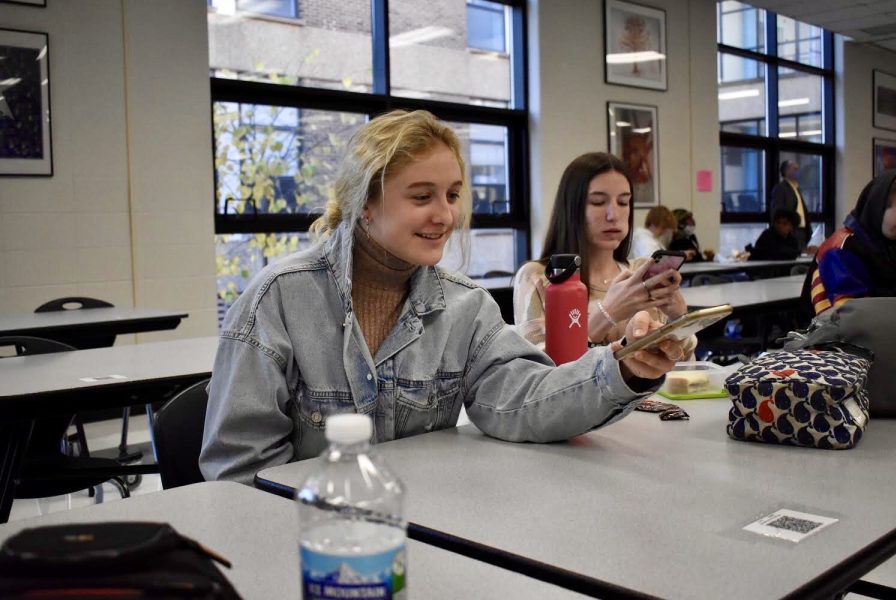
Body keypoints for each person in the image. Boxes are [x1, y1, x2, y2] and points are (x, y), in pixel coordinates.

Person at [200, 111, 684, 485]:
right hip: (321, 547)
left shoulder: (465, 307)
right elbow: (239, 471)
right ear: (364, 204)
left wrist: (623, 367)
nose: (445, 215)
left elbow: (524, 400)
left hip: (424, 529)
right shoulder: (278, 299)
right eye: (421, 196)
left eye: (452, 195)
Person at [513, 151, 694, 354]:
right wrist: (607, 314)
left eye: (624, 202)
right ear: (571, 208)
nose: (614, 215)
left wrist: (678, 319)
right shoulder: (539, 277)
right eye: (598, 202)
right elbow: (541, 373)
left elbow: (688, 370)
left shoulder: (639, 272)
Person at [809, 169, 896, 314]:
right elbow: (854, 317)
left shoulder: (887, 244)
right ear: (878, 206)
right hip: (833, 334)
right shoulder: (842, 249)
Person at [771, 160, 811, 247]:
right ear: (786, 171)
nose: (797, 170)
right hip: (791, 232)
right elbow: (777, 212)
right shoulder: (780, 188)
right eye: (794, 168)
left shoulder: (797, 189)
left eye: (798, 169)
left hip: (802, 232)